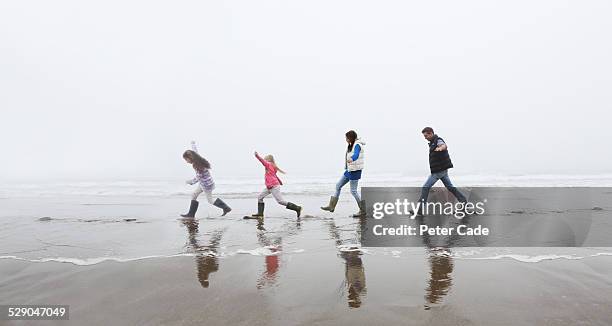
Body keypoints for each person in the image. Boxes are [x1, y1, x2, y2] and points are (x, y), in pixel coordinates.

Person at [418, 127, 467, 213]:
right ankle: (463, 201)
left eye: (426, 135)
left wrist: (440, 148)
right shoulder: (432, 142)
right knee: (450, 187)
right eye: (424, 136)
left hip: (439, 171)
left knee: (425, 187)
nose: (425, 137)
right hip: (442, 170)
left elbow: (443, 145)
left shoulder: (438, 140)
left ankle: (419, 209)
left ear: (431, 133)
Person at [321, 130, 366, 217]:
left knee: (353, 191)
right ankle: (331, 206)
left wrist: (352, 159)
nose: (346, 139)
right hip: (349, 170)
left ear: (351, 138)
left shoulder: (357, 145)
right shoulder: (351, 145)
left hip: (355, 171)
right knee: (338, 186)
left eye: (347, 138)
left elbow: (356, 155)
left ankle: (363, 210)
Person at [181, 141, 231, 217]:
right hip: (204, 183)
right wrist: (193, 144)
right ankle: (191, 214)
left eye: (186, 159)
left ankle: (226, 208)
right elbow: (195, 152)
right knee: (194, 194)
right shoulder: (197, 159)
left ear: (190, 158)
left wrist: (190, 182)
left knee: (210, 201)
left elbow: (197, 178)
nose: (186, 161)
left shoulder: (197, 165)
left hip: (206, 185)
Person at [248, 151, 302, 218]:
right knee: (260, 197)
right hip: (270, 186)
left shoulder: (269, 164)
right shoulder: (272, 166)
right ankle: (260, 214)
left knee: (280, 201)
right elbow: (274, 176)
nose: (265, 161)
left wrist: (257, 156)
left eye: (265, 159)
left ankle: (297, 208)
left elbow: (262, 161)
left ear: (268, 160)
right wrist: (280, 182)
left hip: (273, 186)